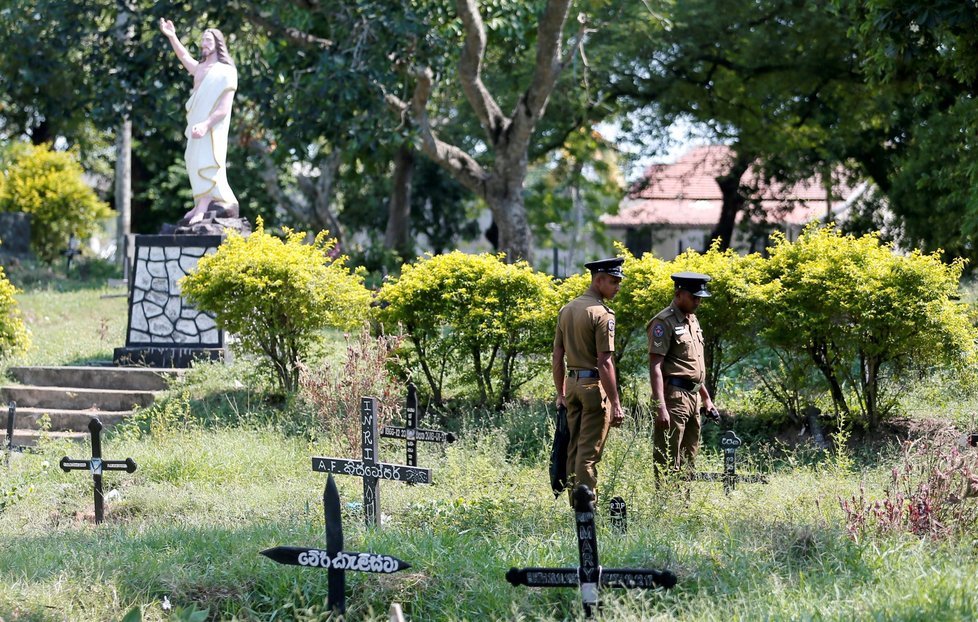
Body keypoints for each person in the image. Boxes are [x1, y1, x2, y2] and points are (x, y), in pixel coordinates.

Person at [552, 257, 626, 504]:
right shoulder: (602, 314)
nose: (617, 287)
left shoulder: (567, 309)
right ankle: (586, 509)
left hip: (572, 385)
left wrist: (561, 392)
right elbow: (605, 361)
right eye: (614, 281)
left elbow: (558, 355)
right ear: (599, 280)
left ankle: (575, 503)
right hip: (593, 387)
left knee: (574, 447)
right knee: (588, 452)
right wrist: (615, 402)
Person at [159, 18, 238, 225]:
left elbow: (223, 108)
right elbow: (184, 56)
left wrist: (206, 125)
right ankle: (199, 202)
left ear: (218, 43)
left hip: (212, 129)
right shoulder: (200, 69)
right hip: (195, 123)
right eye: (203, 39)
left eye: (208, 39)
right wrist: (172, 36)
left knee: (208, 160)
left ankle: (204, 207)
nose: (204, 43)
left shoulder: (226, 72)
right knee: (192, 160)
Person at [648, 272, 719, 478]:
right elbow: (655, 367)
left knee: (689, 457)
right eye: (694, 297)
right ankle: (666, 505)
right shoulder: (663, 322)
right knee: (669, 457)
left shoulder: (693, 321)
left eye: (700, 298)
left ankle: (683, 506)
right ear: (679, 294)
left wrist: (706, 398)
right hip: (675, 397)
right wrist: (660, 406)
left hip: (694, 397)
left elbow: (691, 367)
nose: (698, 302)